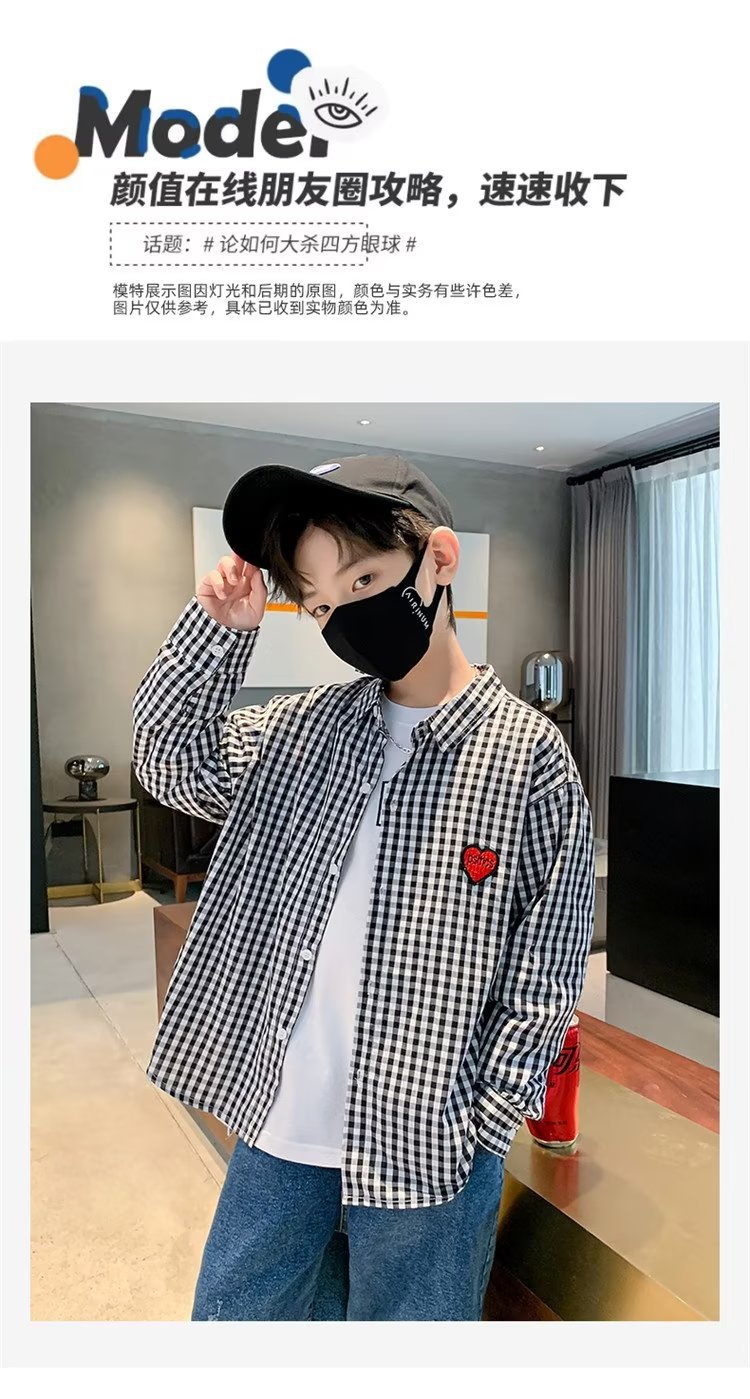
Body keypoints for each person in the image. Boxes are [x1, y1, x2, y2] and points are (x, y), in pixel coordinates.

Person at [132, 453, 596, 1322]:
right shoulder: (302, 730)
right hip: (281, 1122)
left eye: (365, 580)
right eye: (320, 604)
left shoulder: (528, 759)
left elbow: (548, 963)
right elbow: (171, 761)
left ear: (439, 558)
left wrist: (485, 1120)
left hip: (429, 1145)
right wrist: (218, 633)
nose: (344, 614)